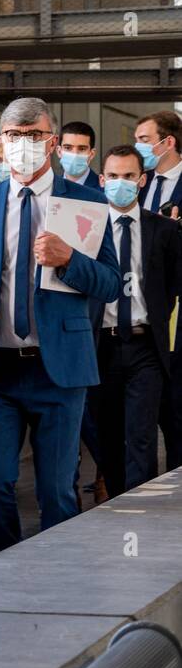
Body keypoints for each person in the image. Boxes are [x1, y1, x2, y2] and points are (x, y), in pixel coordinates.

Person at [0, 97, 120, 554]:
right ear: (1, 144)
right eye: (15, 136)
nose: (25, 145)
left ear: (53, 142)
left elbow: (111, 284)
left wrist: (70, 261)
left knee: (56, 490)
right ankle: (7, 570)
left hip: (58, 370)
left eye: (35, 136)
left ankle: (56, 581)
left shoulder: (88, 200)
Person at [90, 145, 182, 498]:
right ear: (102, 180)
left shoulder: (163, 230)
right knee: (107, 436)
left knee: (141, 436)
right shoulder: (89, 229)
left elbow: (175, 283)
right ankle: (116, 506)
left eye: (129, 176)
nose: (121, 183)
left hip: (145, 346)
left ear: (142, 180)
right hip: (101, 345)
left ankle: (140, 515)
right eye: (113, 176)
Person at [135, 110, 182, 470]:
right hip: (141, 312)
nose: (140, 147)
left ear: (169, 142)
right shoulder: (142, 182)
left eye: (145, 139)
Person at [58, 120, 100, 191]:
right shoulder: (50, 188)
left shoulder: (105, 189)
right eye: (68, 148)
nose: (74, 154)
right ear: (59, 152)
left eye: (82, 149)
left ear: (92, 154)